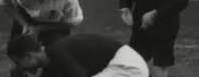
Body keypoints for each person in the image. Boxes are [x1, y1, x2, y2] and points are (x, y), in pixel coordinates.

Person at [0, 0, 84, 73]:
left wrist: (39, 29)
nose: (36, 4)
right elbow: (4, 2)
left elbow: (73, 23)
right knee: (17, 54)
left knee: (55, 60)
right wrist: (24, 24)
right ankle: (20, 71)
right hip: (24, 16)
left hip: (55, 24)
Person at [8, 33, 149, 77]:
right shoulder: (51, 60)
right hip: (121, 65)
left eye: (18, 62)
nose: (20, 68)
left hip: (127, 66)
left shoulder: (58, 52)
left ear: (28, 56)